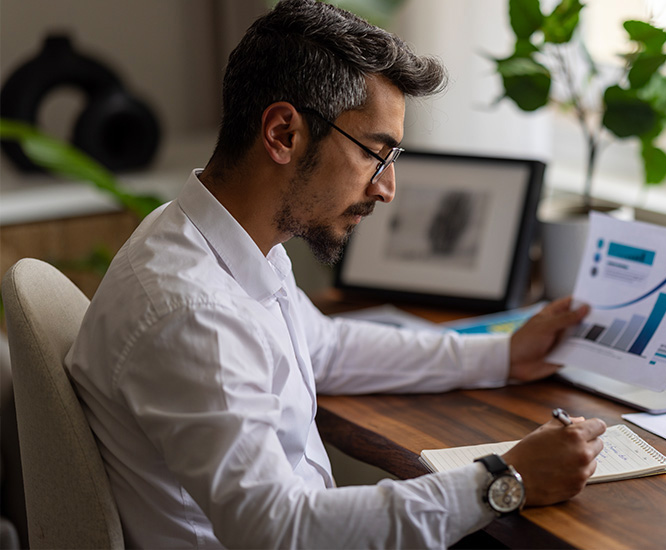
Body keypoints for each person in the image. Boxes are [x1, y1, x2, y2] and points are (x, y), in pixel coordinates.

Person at [66, 1, 605, 548]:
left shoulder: (221, 239)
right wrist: (504, 482)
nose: (386, 187)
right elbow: (279, 529)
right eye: (376, 152)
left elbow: (328, 346)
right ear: (283, 133)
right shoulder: (192, 312)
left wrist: (504, 354)